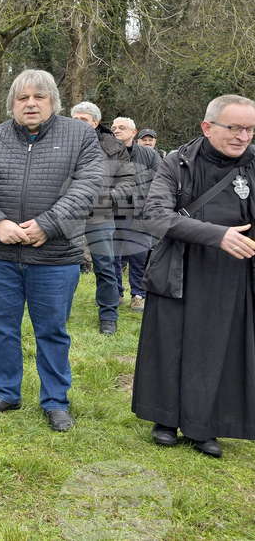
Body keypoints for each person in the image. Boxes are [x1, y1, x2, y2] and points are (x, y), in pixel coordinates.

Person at [0, 69, 103, 432]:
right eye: (22, 98)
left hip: (55, 256)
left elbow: (88, 187)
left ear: (53, 101)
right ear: (12, 103)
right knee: (1, 327)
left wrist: (48, 224)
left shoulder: (81, 136)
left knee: (52, 330)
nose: (30, 104)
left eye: (39, 96)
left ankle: (56, 400)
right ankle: (5, 391)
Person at [132, 94, 255, 458]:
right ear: (207, 126)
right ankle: (165, 419)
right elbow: (154, 215)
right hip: (179, 267)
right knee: (171, 344)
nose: (242, 136)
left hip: (232, 273)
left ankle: (206, 425)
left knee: (220, 349)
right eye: (233, 128)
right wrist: (218, 235)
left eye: (249, 129)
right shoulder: (177, 162)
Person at [70, 102, 134, 334]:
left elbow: (128, 180)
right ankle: (58, 312)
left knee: (104, 266)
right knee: (63, 265)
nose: (78, 123)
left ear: (95, 123)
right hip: (67, 213)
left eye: (83, 120)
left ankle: (108, 315)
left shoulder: (114, 147)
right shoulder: (59, 143)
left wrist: (110, 197)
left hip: (101, 214)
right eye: (74, 119)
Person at [111, 117, 162, 313]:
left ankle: (138, 295)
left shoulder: (149, 155)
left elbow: (161, 180)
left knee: (139, 254)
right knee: (112, 255)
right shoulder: (106, 152)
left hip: (140, 211)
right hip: (112, 211)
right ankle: (116, 292)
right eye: (114, 127)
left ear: (134, 132)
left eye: (122, 128)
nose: (116, 130)